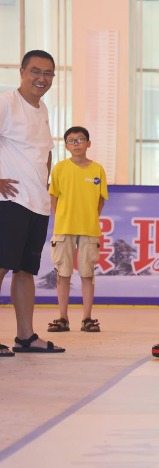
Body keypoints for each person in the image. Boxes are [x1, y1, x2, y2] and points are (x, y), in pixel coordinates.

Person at [0, 50, 65, 355]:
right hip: (9, 200)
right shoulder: (7, 102)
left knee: (25, 271)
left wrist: (45, 182)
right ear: (22, 71)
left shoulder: (43, 109)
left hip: (36, 202)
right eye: (36, 71)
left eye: (48, 73)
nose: (42, 78)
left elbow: (45, 152)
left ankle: (25, 337)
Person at [47, 126, 109, 333]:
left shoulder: (97, 169)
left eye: (80, 139)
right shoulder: (59, 168)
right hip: (64, 228)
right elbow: (53, 196)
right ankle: (62, 318)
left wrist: (90, 218)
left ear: (88, 143)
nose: (76, 144)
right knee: (63, 274)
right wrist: (61, 219)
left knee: (87, 274)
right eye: (71, 140)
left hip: (89, 230)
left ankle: (87, 319)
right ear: (66, 146)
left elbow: (101, 200)